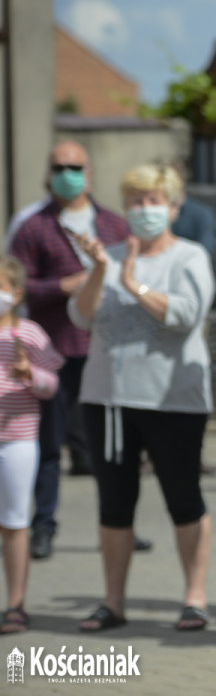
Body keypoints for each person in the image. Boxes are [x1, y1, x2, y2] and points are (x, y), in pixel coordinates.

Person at [68, 163, 215, 633]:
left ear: (173, 207)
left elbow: (186, 315)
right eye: (135, 200)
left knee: (183, 498)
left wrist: (135, 284)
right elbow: (81, 316)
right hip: (109, 400)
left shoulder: (190, 257)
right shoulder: (107, 256)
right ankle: (113, 601)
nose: (144, 209)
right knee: (114, 502)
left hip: (173, 401)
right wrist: (100, 272)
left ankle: (194, 597)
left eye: (154, 200)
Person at [9, 142, 129, 559]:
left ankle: (117, 524)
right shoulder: (33, 226)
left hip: (104, 351)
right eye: (59, 167)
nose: (67, 173)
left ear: (89, 173)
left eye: (75, 167)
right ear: (48, 172)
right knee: (49, 446)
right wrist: (67, 285)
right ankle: (44, 525)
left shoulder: (113, 224)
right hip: (53, 351)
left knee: (108, 448)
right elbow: (18, 287)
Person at [0, 256, 63, 635]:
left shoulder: (30, 334)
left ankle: (16, 604)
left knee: (15, 522)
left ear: (15, 292)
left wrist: (31, 374)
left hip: (18, 440)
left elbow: (53, 384)